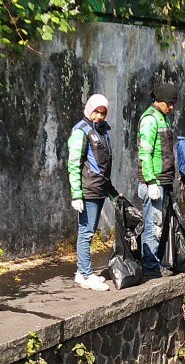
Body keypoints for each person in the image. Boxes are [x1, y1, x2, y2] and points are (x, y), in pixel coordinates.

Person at [67, 93, 118, 292]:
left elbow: (104, 164)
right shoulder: (81, 131)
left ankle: (83, 271)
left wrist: (112, 192)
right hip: (88, 190)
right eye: (96, 112)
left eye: (103, 113)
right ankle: (85, 274)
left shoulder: (103, 131)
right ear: (89, 109)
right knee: (86, 233)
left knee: (89, 232)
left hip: (99, 189)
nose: (99, 116)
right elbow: (74, 164)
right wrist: (76, 194)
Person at [138, 83, 178, 278]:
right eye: (169, 103)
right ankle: (151, 266)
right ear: (159, 101)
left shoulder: (163, 118)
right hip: (154, 182)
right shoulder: (150, 120)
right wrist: (150, 181)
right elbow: (145, 152)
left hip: (164, 180)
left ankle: (155, 261)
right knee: (153, 225)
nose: (171, 108)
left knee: (159, 224)